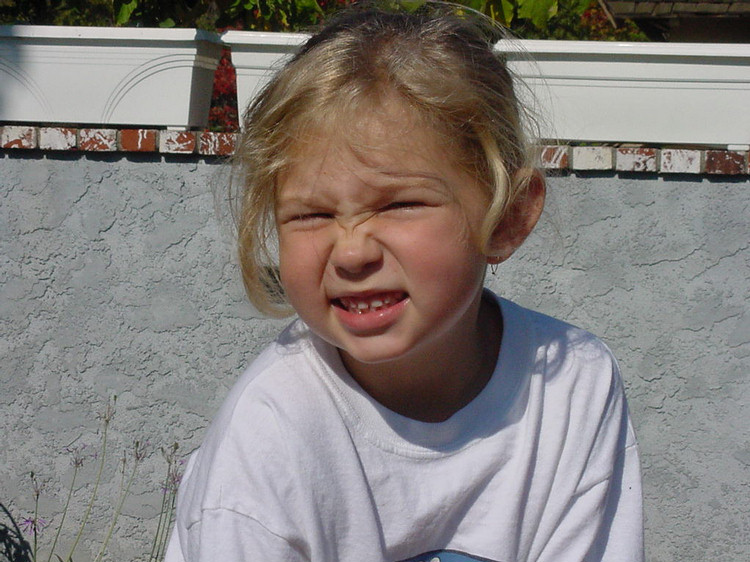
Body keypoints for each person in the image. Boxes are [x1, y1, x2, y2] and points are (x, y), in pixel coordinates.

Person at [165, 4, 643, 561]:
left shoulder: (571, 384)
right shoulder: (268, 435)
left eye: (399, 204)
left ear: (509, 215)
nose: (351, 250)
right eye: (311, 215)